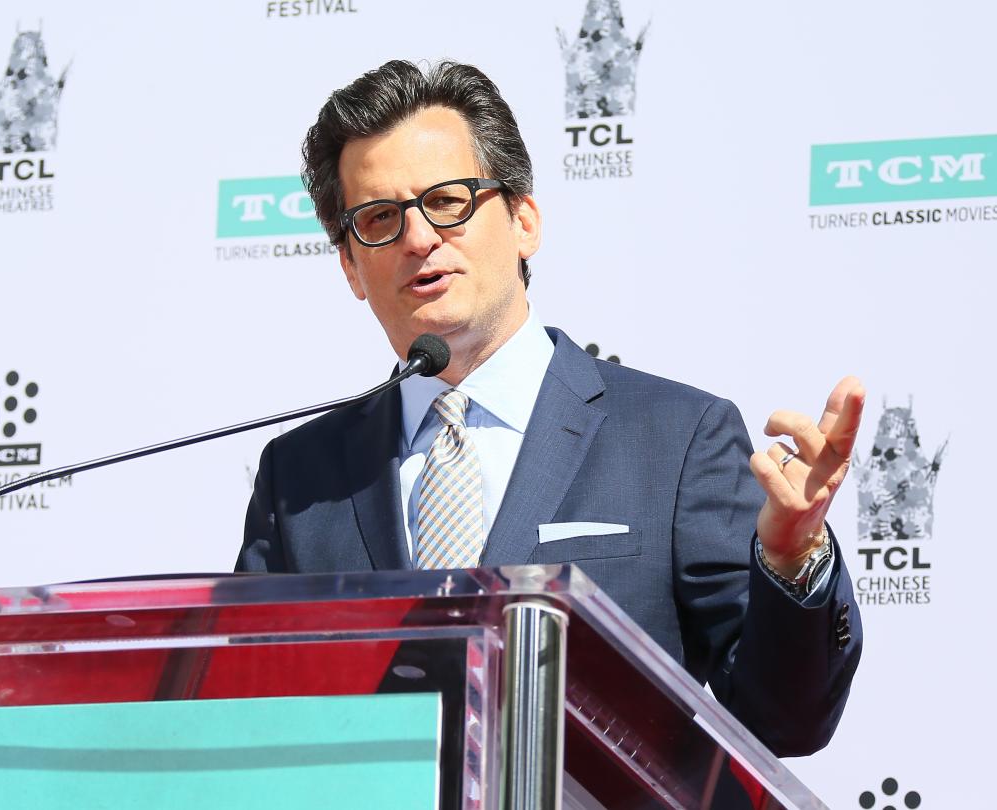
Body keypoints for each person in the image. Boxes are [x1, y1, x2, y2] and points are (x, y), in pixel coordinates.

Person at [235, 60, 863, 757]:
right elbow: (252, 726)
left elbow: (788, 721)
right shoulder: (301, 477)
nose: (417, 239)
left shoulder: (675, 440)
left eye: (448, 201)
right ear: (351, 266)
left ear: (524, 220)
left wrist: (792, 557)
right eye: (380, 218)